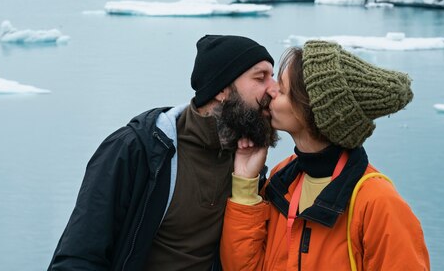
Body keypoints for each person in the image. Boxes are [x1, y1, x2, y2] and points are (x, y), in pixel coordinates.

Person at [49, 34, 279, 271]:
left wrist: (247, 183)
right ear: (222, 89)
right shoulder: (137, 150)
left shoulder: (245, 161)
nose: (274, 89)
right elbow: (79, 257)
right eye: (261, 78)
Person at [221, 40, 430, 270]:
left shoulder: (379, 205)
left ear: (309, 110)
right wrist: (245, 186)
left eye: (282, 90)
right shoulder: (283, 178)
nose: (270, 92)